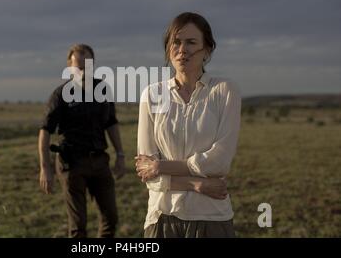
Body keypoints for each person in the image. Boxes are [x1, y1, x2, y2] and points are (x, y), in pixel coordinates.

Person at [135, 12, 241, 238]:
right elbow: (146, 172)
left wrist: (160, 166)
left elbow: (220, 162)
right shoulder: (152, 95)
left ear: (207, 50)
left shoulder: (224, 90)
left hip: (211, 218)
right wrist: (196, 184)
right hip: (161, 217)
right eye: (176, 42)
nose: (182, 49)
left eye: (191, 42)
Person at [38, 44, 125, 238]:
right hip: (72, 164)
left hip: (100, 161)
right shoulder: (61, 94)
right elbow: (45, 130)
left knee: (111, 217)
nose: (83, 71)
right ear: (69, 67)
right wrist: (45, 167)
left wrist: (120, 154)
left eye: (87, 66)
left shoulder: (102, 90)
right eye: (78, 66)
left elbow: (111, 123)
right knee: (78, 226)